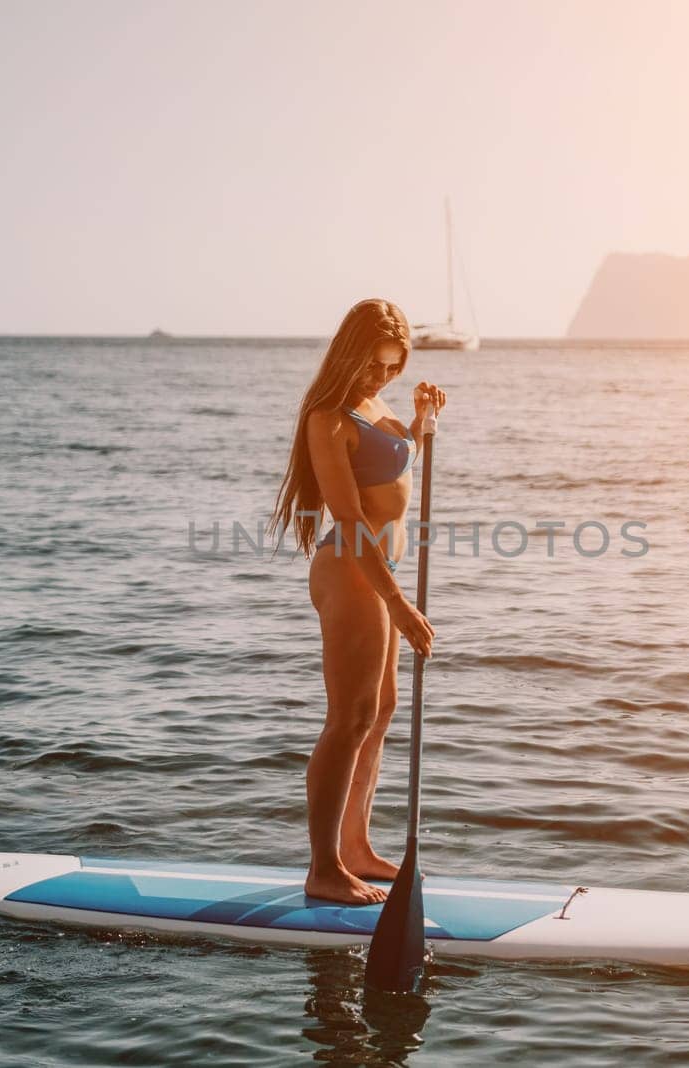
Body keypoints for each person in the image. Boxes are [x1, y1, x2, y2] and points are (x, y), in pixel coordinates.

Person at [270, 298, 446, 905]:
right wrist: (397, 604)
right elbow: (348, 518)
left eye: (392, 368)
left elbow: (389, 474)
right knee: (348, 718)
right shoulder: (328, 416)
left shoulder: (376, 404)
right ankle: (323, 868)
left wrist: (420, 421)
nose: (381, 377)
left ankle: (355, 846)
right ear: (350, 352)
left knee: (380, 710)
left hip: (381, 567)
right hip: (351, 568)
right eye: (373, 365)